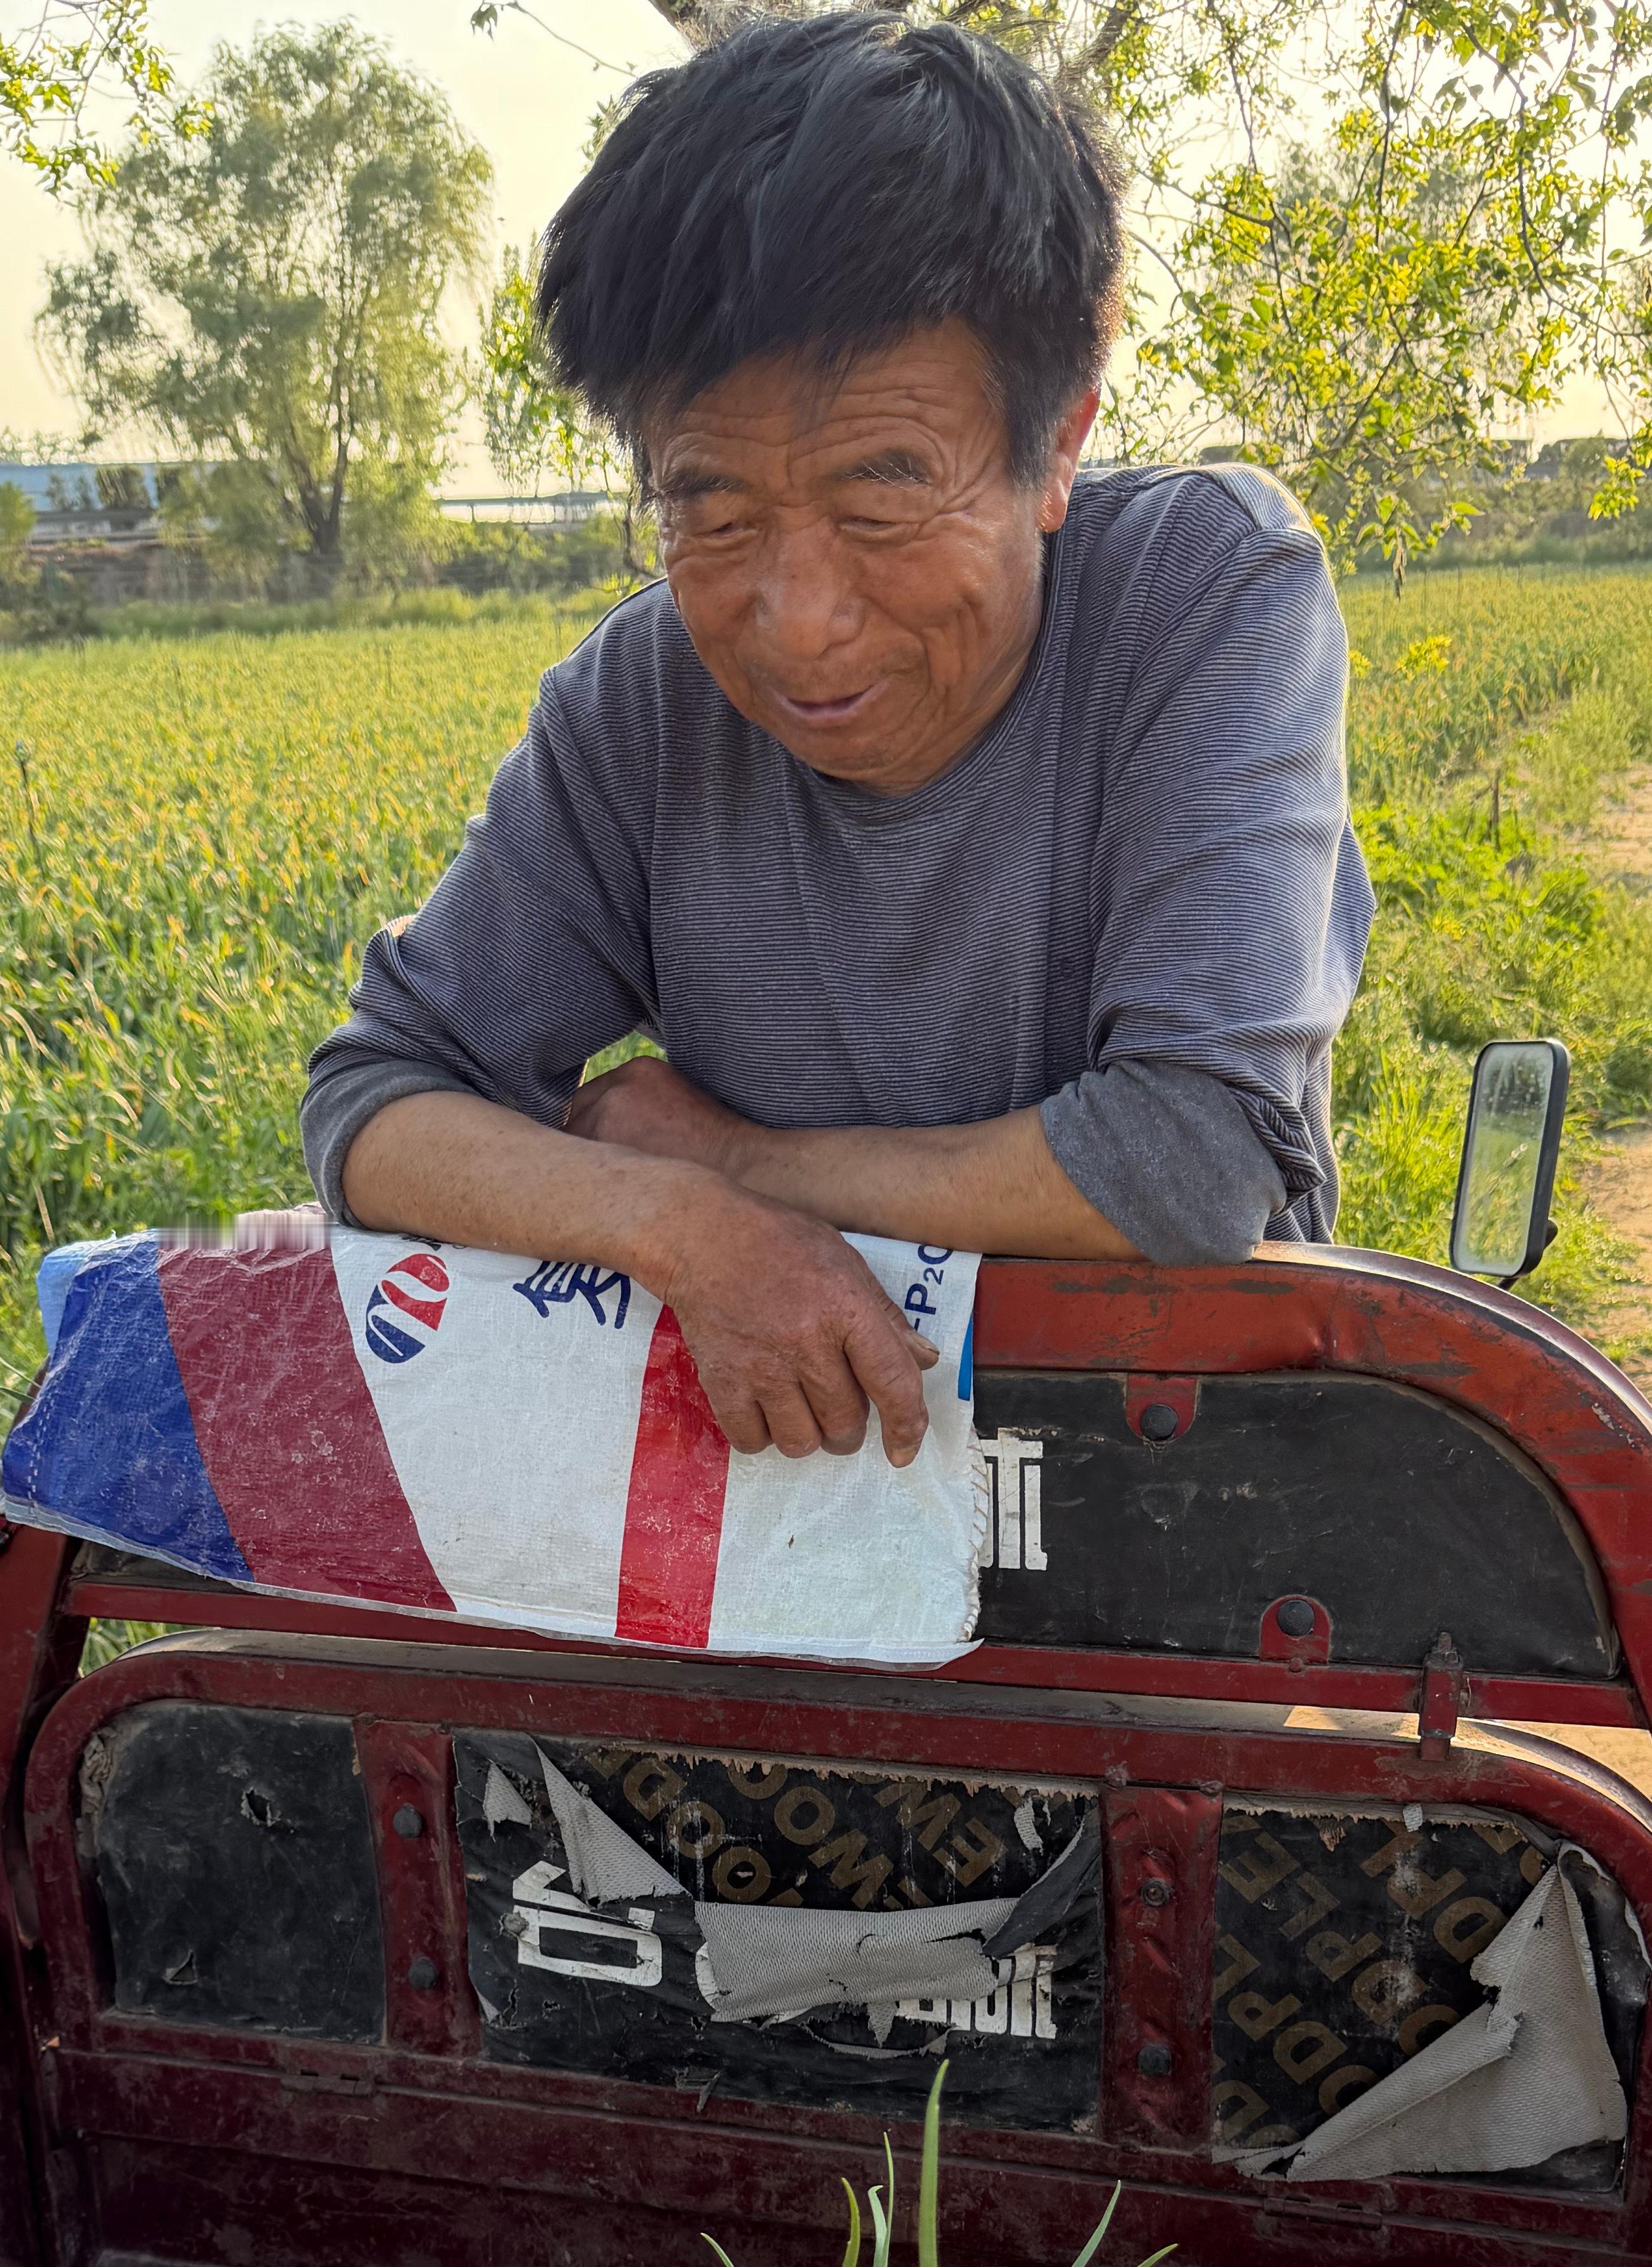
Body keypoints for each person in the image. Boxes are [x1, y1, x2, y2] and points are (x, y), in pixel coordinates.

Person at [302, 10, 1372, 1470]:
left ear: (1056, 443)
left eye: (882, 501)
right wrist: (687, 1225)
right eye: (714, 512)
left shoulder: (1203, 592)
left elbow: (1188, 1163)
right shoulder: (640, 703)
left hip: (1180, 1484)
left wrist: (738, 1160)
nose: (796, 624)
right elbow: (376, 1105)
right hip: (809, 1503)